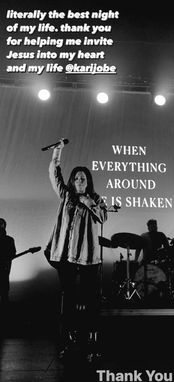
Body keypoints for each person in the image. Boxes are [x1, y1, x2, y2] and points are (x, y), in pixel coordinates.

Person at [45, 139, 107, 361]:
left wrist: (87, 199)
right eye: (77, 178)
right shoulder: (65, 196)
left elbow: (102, 217)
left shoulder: (96, 199)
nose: (80, 180)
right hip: (65, 257)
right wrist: (57, 152)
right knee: (69, 299)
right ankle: (69, 343)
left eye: (84, 178)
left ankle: (92, 344)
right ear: (72, 181)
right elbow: (55, 175)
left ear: (88, 181)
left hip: (89, 258)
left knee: (91, 301)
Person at [134, 219, 170, 304]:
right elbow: (138, 249)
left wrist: (166, 257)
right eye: (152, 225)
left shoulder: (161, 235)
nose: (154, 227)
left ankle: (163, 295)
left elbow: (167, 248)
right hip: (146, 261)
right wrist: (135, 261)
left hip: (159, 261)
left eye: (155, 225)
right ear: (148, 227)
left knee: (163, 276)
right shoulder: (144, 236)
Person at [0, 218, 16, 306]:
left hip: (5, 269)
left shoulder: (9, 240)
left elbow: (13, 253)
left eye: (1, 224)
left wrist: (7, 259)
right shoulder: (9, 240)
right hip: (5, 268)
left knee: (4, 291)